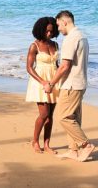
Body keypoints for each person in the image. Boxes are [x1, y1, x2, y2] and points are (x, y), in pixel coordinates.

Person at [45, 10, 95, 162]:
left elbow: (65, 66)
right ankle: (73, 150)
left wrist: (51, 83)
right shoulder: (82, 36)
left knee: (64, 117)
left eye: (58, 25)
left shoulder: (71, 39)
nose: (58, 29)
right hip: (81, 82)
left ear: (64, 21)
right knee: (73, 117)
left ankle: (85, 145)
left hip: (72, 84)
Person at [24, 16, 60, 154]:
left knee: (50, 116)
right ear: (40, 30)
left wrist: (57, 81)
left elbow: (56, 65)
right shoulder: (35, 46)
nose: (49, 34)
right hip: (40, 82)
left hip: (53, 81)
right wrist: (43, 82)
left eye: (51, 31)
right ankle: (35, 141)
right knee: (44, 114)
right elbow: (29, 68)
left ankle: (47, 144)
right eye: (46, 31)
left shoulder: (55, 45)